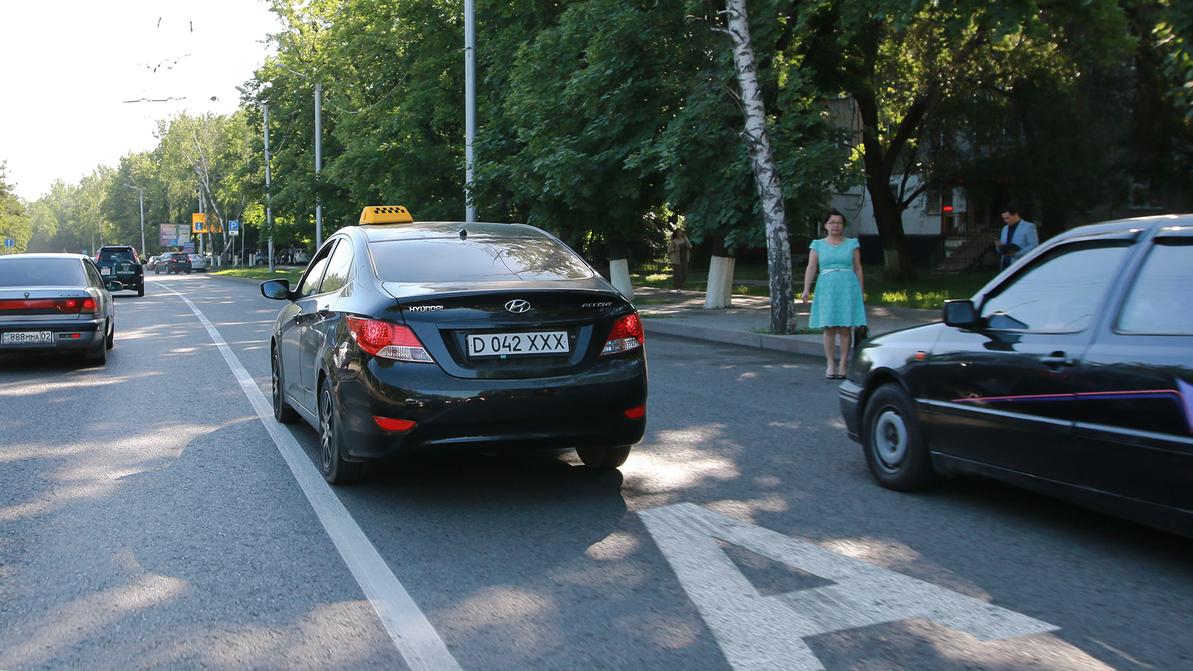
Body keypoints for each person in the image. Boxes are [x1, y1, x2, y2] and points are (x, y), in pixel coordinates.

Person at [801, 210, 866, 379]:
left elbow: (858, 268)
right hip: (827, 287)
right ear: (825, 226)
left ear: (843, 226)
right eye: (832, 222)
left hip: (848, 286)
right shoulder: (817, 244)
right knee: (829, 327)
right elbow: (811, 267)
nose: (836, 225)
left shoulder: (852, 243)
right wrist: (806, 289)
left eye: (839, 223)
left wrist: (860, 289)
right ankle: (830, 363)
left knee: (845, 328)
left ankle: (843, 364)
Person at [994, 205, 1039, 270]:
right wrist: (999, 247)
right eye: (1004, 218)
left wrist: (1017, 254)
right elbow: (1003, 248)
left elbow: (1034, 246)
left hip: (1021, 265)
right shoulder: (1005, 228)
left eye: (1007, 218)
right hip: (1005, 265)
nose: (1005, 221)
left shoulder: (1029, 227)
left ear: (1015, 215)